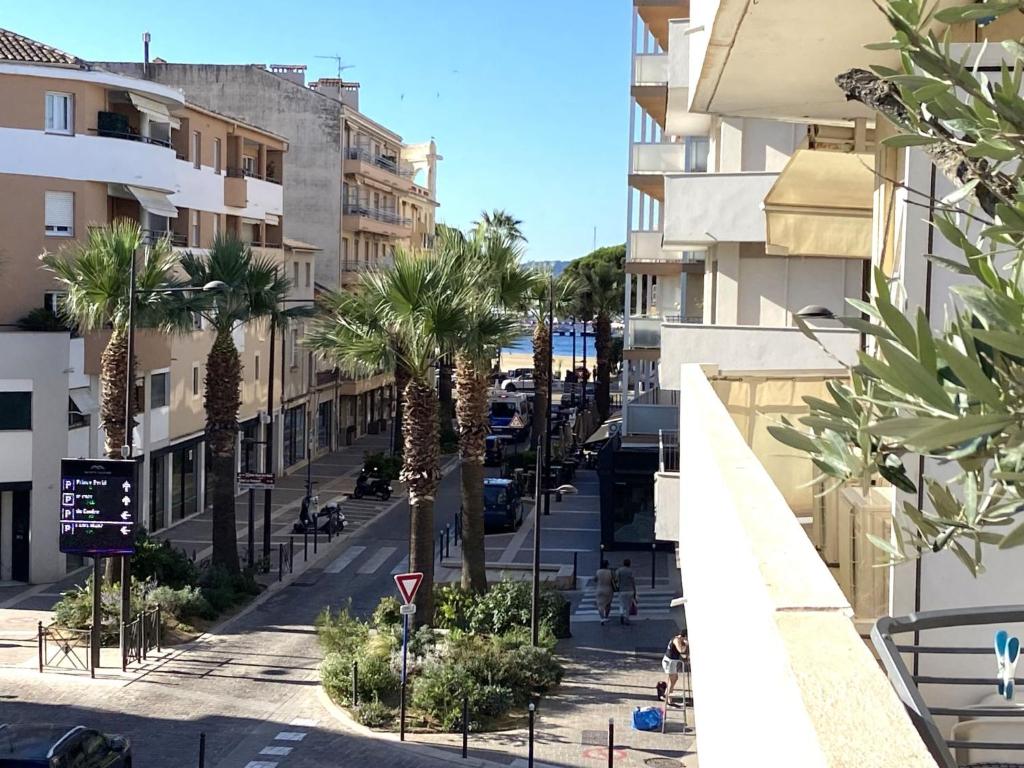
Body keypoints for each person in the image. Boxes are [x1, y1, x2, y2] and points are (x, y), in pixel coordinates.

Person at [661, 631, 689, 702]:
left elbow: (678, 652)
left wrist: (685, 658)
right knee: (672, 679)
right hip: (669, 662)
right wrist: (686, 644)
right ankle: (668, 697)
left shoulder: (679, 640)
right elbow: (681, 650)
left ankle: (667, 694)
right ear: (685, 636)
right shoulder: (676, 640)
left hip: (673, 661)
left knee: (674, 678)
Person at [616, 559, 637, 626]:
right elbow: (633, 581)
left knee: (621, 604)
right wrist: (635, 590)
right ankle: (627, 618)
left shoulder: (619, 570)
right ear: (629, 564)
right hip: (630, 590)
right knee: (628, 606)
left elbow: (616, 579)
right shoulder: (631, 571)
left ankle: (621, 613)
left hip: (621, 590)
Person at [595, 560, 615, 625]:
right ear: (607, 565)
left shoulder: (598, 572)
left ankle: (602, 617)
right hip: (608, 589)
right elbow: (614, 579)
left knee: (600, 605)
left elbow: (595, 579)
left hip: (600, 589)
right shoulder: (610, 572)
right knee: (608, 604)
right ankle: (606, 616)